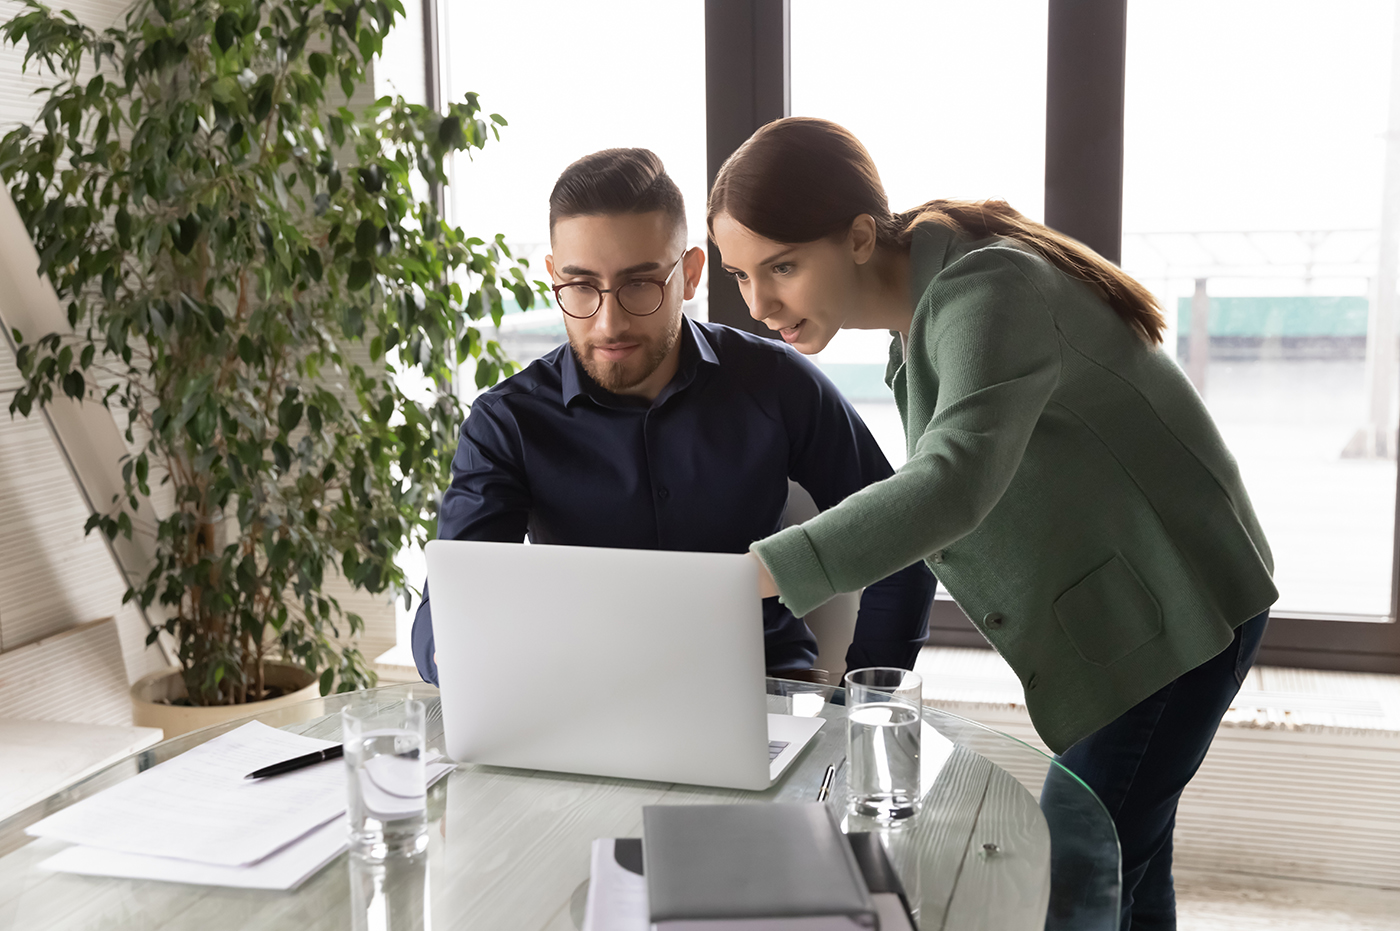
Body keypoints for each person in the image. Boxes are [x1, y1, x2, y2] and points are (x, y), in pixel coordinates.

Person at [708, 117, 1276, 930]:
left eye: (783, 267)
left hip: (1182, 610)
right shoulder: (934, 301)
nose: (758, 304)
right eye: (740, 274)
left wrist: (753, 576)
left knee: (1076, 864)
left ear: (860, 237)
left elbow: (949, 483)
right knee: (1126, 862)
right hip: (1142, 609)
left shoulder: (986, 290)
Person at [411, 148, 936, 687]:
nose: (608, 323)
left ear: (689, 275)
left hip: (764, 690)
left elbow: (903, 540)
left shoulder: (778, 383)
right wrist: (456, 649)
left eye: (639, 284)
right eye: (582, 286)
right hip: (584, 696)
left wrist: (865, 700)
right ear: (553, 278)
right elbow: (444, 617)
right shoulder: (506, 423)